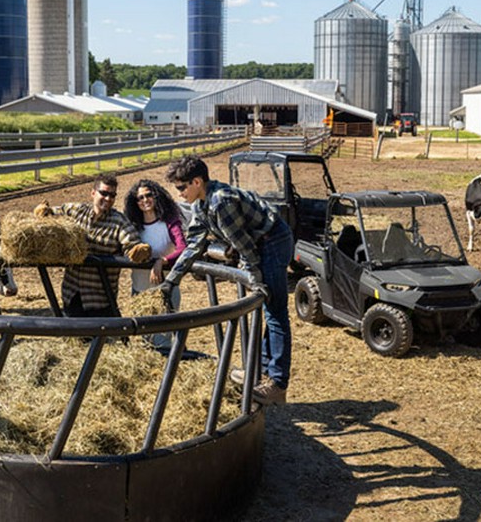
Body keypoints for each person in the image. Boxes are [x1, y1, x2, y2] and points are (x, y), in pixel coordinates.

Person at [158, 155, 293, 405]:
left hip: (272, 240)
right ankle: (261, 373)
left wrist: (254, 276)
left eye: (181, 188)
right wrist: (172, 280)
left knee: (275, 310)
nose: (179, 194)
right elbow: (195, 244)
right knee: (266, 308)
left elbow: (245, 246)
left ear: (197, 182)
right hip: (258, 242)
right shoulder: (200, 205)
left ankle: (277, 383)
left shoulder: (221, 202)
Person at [33, 174, 150, 317]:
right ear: (93, 193)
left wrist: (137, 250)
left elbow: (130, 243)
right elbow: (55, 215)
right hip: (73, 293)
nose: (108, 199)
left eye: (112, 195)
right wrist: (45, 212)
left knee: (100, 338)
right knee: (74, 335)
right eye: (104, 193)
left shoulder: (119, 222)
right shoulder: (76, 211)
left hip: (100, 299)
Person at [123, 179, 187, 348]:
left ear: (156, 196)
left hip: (164, 291)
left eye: (148, 195)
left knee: (162, 342)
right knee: (146, 340)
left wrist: (163, 260)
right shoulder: (132, 226)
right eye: (140, 198)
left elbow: (182, 247)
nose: (145, 200)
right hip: (140, 291)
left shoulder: (169, 221)